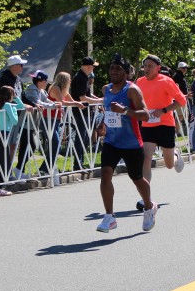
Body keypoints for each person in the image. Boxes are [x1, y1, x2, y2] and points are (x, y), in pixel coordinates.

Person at [95, 54, 156, 233]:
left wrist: (125, 110)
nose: (113, 72)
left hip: (131, 143)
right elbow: (108, 111)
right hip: (111, 141)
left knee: (137, 178)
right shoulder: (106, 89)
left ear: (127, 73)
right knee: (106, 174)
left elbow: (145, 115)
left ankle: (149, 207)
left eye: (118, 69)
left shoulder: (132, 90)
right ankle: (109, 217)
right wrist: (102, 123)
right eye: (112, 68)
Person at [136, 54, 187, 192]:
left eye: (150, 66)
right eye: (145, 66)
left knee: (169, 165)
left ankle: (175, 154)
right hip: (148, 125)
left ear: (158, 68)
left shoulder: (166, 81)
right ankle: (145, 195)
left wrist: (164, 110)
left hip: (165, 124)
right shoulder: (139, 82)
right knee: (146, 159)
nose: (147, 69)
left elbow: (182, 101)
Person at [69, 56, 102, 171]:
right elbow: (83, 98)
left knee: (85, 137)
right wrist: (99, 101)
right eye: (92, 66)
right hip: (81, 112)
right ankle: (78, 163)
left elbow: (88, 94)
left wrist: (99, 99)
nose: (93, 68)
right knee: (81, 137)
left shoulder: (84, 77)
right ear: (88, 67)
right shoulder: (80, 78)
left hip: (85, 111)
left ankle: (80, 161)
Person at [0, 86, 22, 197]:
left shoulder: (2, 104)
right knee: (3, 160)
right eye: (13, 93)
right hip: (2, 134)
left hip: (1, 134)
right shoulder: (8, 105)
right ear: (9, 94)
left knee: (1, 159)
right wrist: (14, 109)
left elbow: (21, 106)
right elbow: (15, 120)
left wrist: (16, 98)